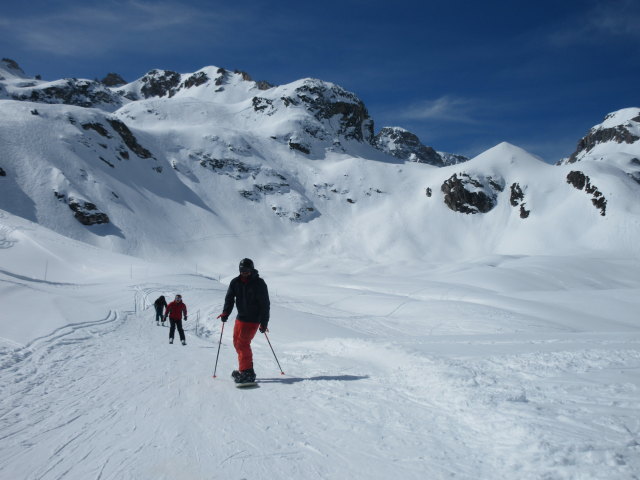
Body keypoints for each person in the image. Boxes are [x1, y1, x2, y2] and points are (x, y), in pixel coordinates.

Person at [218, 258, 270, 384]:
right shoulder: (235, 282)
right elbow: (229, 299)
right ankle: (246, 368)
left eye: (247, 270)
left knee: (243, 344)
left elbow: (265, 304)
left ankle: (247, 372)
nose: (244, 273)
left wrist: (264, 322)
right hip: (240, 318)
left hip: (253, 319)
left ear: (252, 270)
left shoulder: (259, 283)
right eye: (242, 270)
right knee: (237, 343)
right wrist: (226, 312)